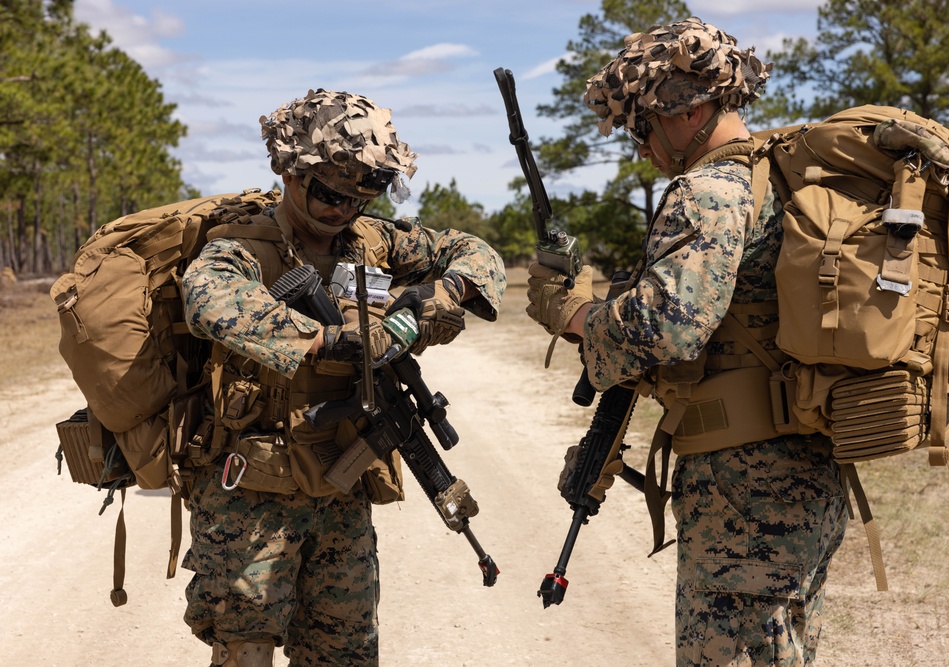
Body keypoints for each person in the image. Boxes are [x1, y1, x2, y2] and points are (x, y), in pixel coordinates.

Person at [525, 18, 848, 667]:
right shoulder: (786, 186)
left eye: (643, 126)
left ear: (688, 111)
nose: (642, 146)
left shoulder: (709, 190)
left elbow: (667, 327)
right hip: (807, 481)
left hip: (743, 500)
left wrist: (574, 314)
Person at [179, 88, 505, 666]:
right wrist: (335, 339)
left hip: (339, 484)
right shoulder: (243, 245)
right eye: (329, 192)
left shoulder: (370, 241)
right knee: (245, 651)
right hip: (251, 493)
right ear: (291, 172)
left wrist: (440, 294)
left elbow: (473, 250)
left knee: (346, 652)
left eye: (366, 192)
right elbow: (210, 301)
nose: (344, 208)